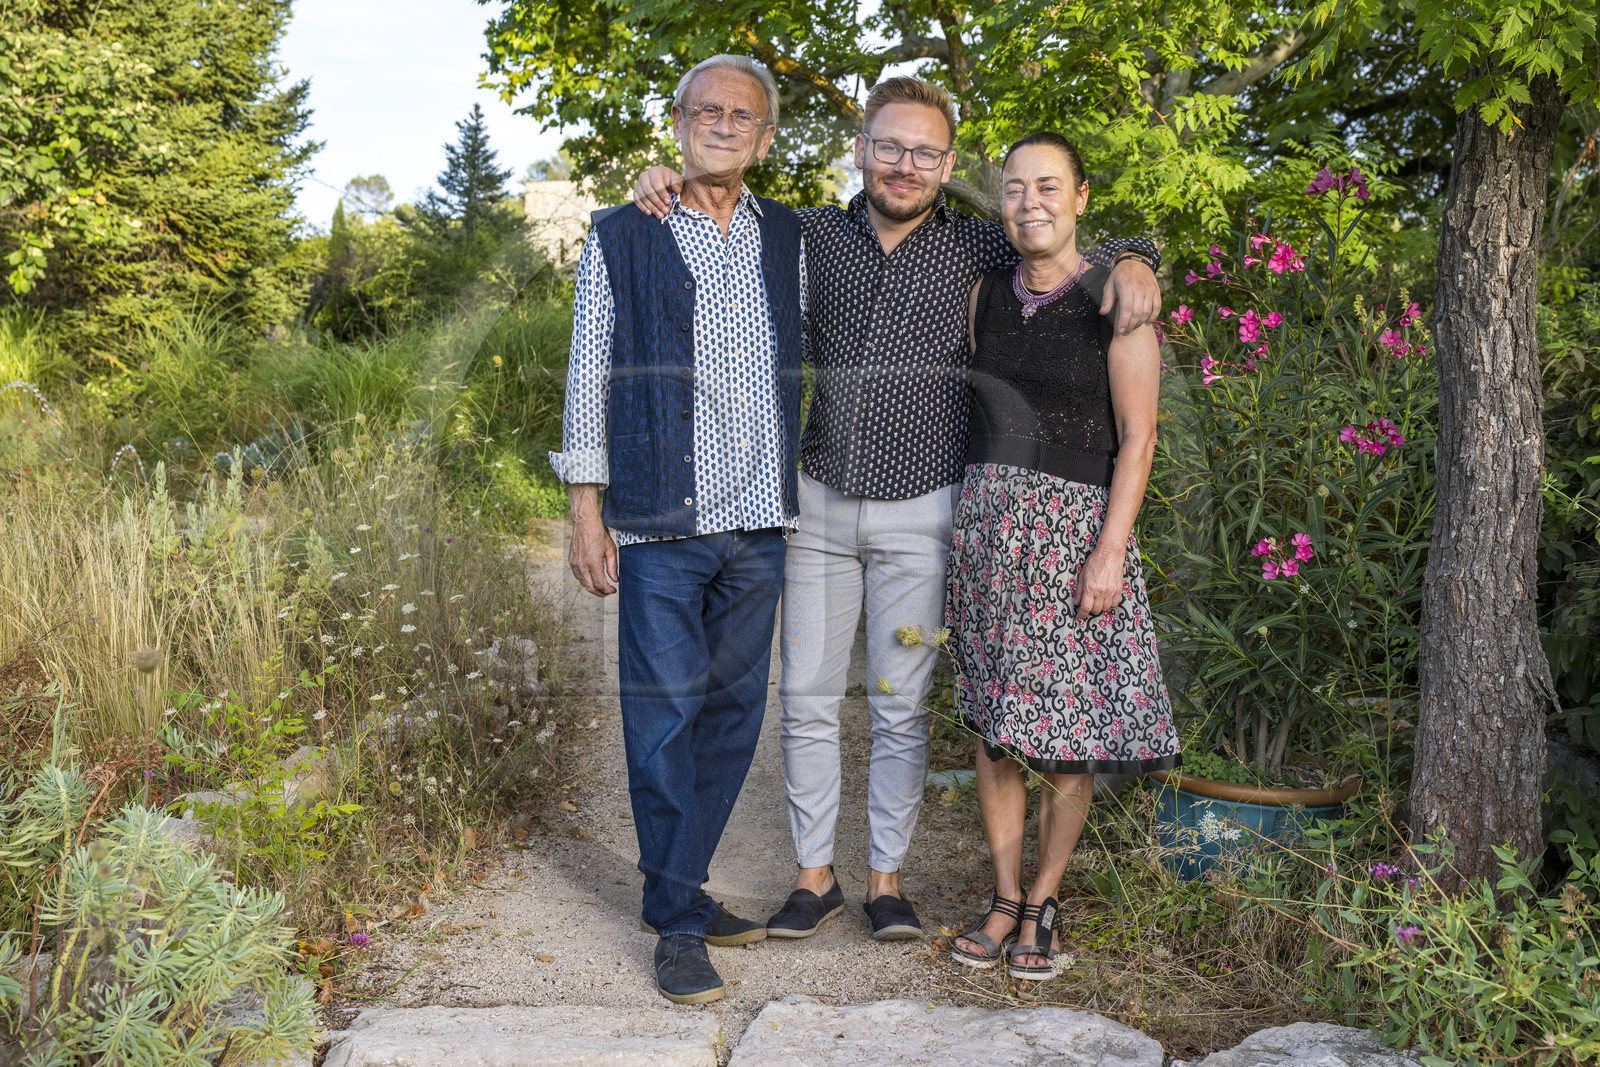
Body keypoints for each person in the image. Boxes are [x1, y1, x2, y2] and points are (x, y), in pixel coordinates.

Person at [632, 77, 1164, 943]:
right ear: (861, 149)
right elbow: (714, 201)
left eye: (924, 152)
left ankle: (886, 879)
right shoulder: (803, 236)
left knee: (899, 702)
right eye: (889, 147)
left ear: (949, 165)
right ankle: (815, 877)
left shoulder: (978, 248)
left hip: (928, 507)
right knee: (805, 695)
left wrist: (1138, 253)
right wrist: (657, 181)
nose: (905, 165)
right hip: (816, 501)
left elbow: (1058, 233)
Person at [549, 54, 805, 1005]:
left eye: (743, 115)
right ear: (679, 121)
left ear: (766, 137)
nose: (724, 125)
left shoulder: (792, 237)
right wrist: (587, 505)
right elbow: (587, 374)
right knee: (663, 723)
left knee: (735, 718)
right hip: (661, 523)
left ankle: (677, 885)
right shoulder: (622, 231)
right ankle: (681, 926)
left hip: (761, 524)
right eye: (707, 111)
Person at [945, 133, 1179, 980]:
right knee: (998, 726)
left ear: (1081, 197)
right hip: (987, 538)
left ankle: (1046, 898)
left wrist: (1109, 549)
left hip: (1075, 537)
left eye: (1048, 187)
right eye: (1013, 188)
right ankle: (1003, 896)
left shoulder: (1117, 300)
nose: (1029, 202)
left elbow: (1141, 438)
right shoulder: (984, 293)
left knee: (1064, 733)